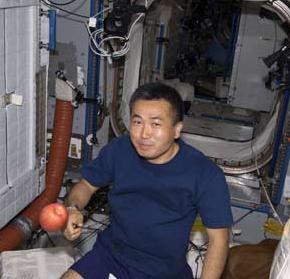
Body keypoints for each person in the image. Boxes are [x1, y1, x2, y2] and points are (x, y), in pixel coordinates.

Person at [61, 82, 233, 279]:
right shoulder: (120, 150)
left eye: (156, 124)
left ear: (177, 130)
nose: (144, 134)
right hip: (111, 256)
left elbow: (219, 240)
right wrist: (73, 209)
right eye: (137, 122)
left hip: (163, 272)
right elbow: (86, 185)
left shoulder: (205, 174)